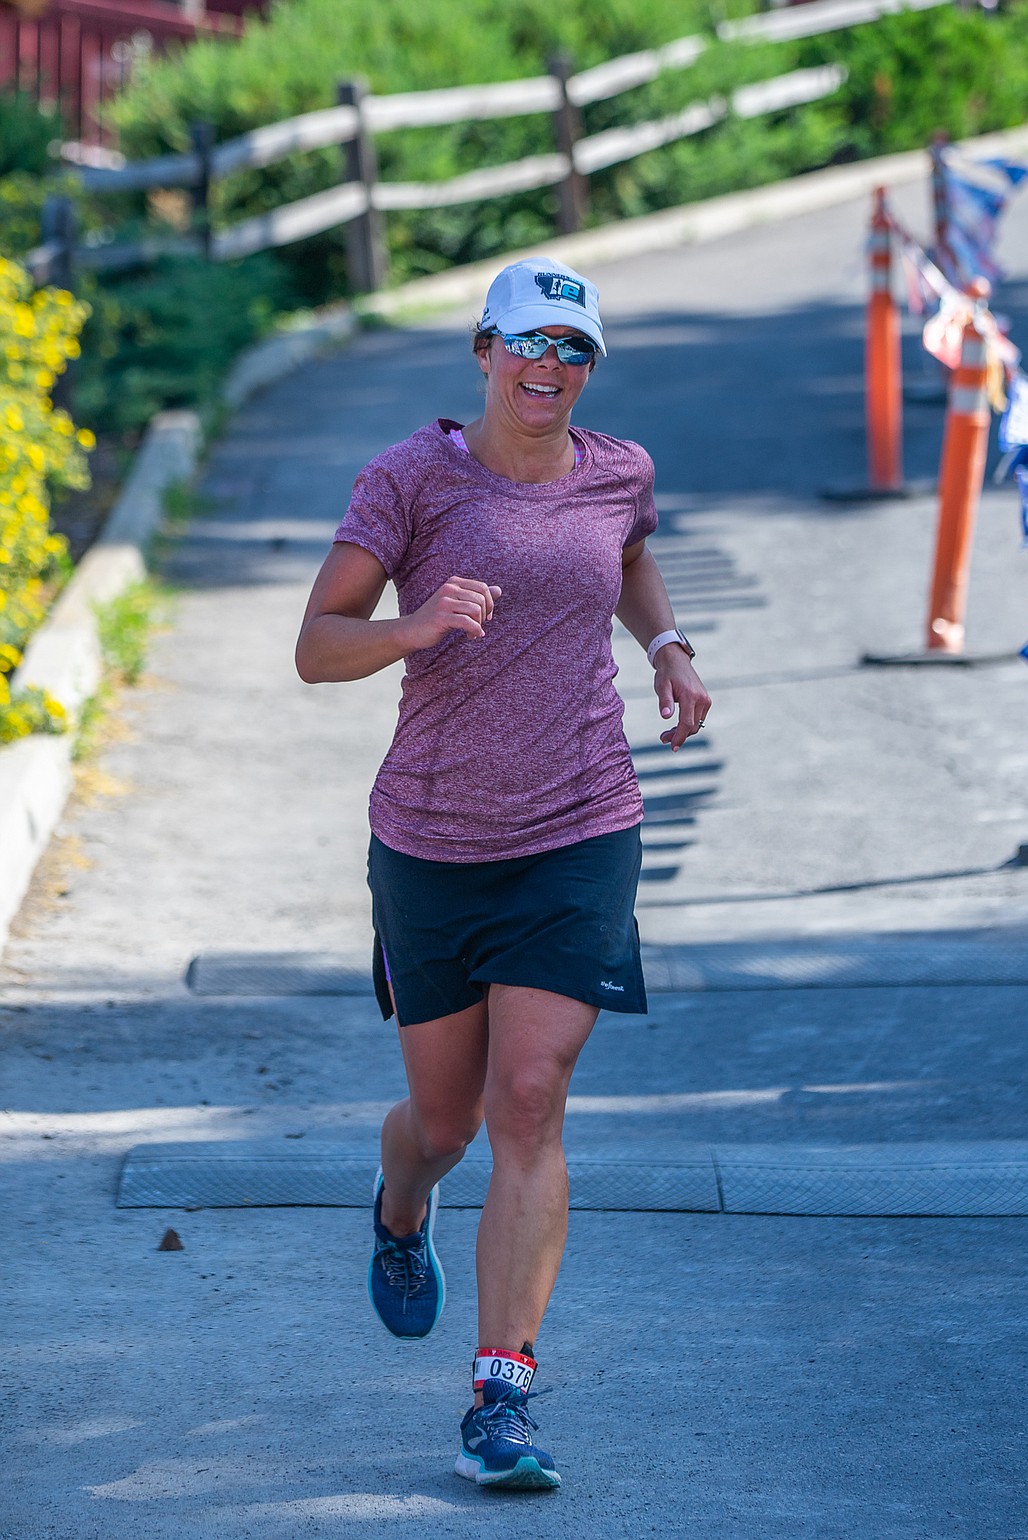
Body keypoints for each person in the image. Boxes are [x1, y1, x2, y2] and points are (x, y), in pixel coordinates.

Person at [295, 256, 710, 1490]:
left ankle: (504, 1396)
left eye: (574, 350)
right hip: (432, 840)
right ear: (484, 350)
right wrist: (413, 628)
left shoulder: (617, 470)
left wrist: (671, 646)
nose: (551, 370)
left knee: (531, 1098)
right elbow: (318, 646)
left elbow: (626, 554)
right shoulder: (413, 479)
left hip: (581, 823)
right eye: (530, 344)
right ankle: (399, 1207)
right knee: (446, 1120)